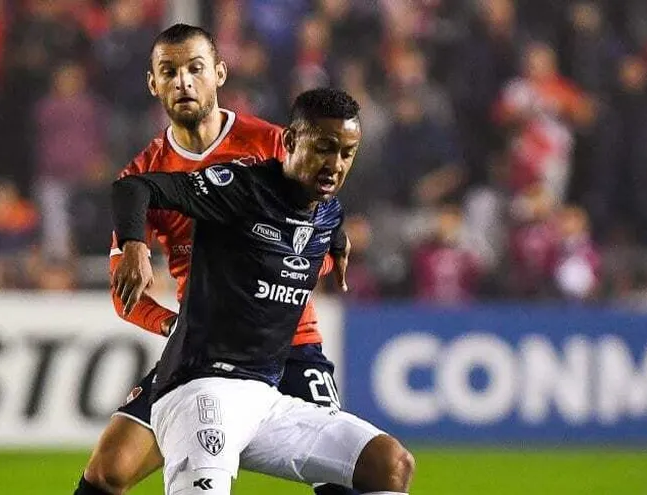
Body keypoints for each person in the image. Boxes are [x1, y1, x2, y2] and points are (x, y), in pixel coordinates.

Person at [75, 25, 355, 495]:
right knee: (108, 470)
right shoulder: (145, 175)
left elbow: (323, 222)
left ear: (219, 74)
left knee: (341, 478)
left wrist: (330, 245)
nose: (183, 81)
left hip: (288, 341)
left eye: (195, 68)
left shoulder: (273, 144)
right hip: (205, 348)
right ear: (153, 84)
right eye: (169, 72)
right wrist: (175, 324)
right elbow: (125, 296)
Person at [111, 87, 414, 495]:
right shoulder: (241, 188)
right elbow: (134, 188)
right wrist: (134, 245)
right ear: (289, 141)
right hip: (200, 387)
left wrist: (338, 243)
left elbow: (319, 228)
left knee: (389, 462)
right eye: (324, 148)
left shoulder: (328, 211)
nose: (335, 164)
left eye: (347, 153)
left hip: (265, 398)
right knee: (111, 471)